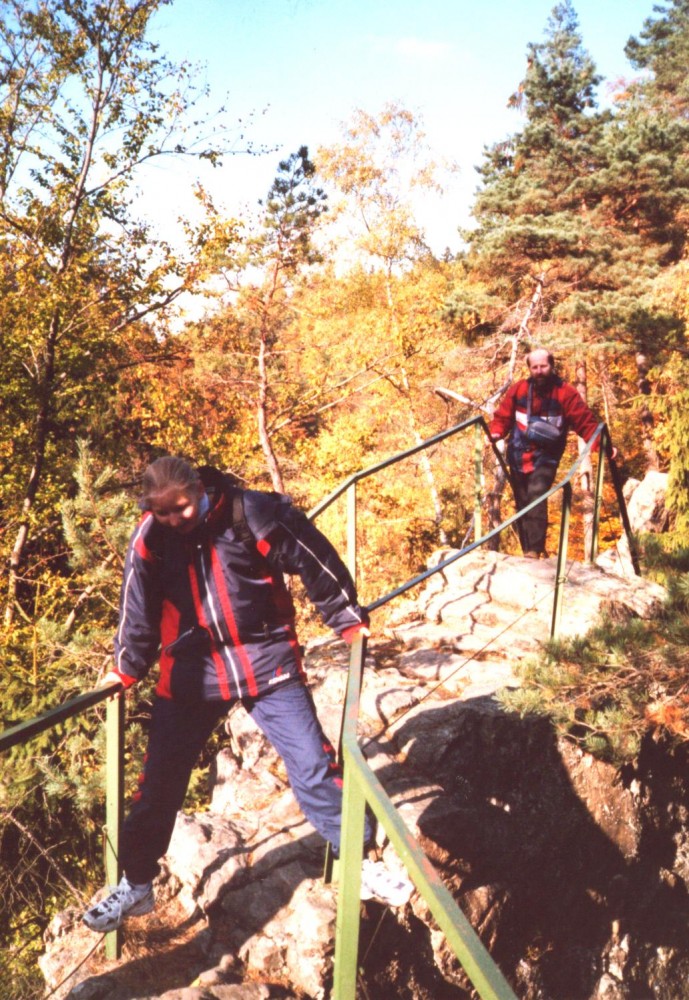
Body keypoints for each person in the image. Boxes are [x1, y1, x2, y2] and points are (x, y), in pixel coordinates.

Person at [83, 457, 412, 933]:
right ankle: (136, 885)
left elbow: (314, 557)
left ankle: (356, 860)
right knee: (157, 786)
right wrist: (124, 669)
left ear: (199, 490)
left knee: (313, 763)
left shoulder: (252, 512)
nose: (173, 520)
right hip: (192, 675)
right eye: (162, 512)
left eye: (180, 508)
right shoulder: (150, 540)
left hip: (266, 661)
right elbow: (137, 610)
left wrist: (346, 618)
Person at [488, 349, 613, 558]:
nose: (539, 371)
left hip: (547, 457)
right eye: (534, 367)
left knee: (537, 494)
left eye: (543, 366)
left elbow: (585, 421)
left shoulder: (565, 393)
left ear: (552, 366)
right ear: (529, 369)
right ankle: (527, 550)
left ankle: (534, 551)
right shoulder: (519, 390)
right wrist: (495, 433)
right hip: (518, 455)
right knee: (522, 501)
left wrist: (604, 447)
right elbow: (503, 416)